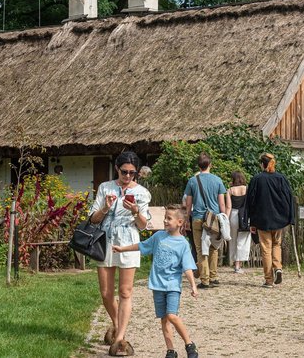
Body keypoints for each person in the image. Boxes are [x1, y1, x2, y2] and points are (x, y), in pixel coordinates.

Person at [113, 204, 200, 358]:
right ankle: (171, 350)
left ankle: (189, 344)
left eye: (169, 218)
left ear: (180, 222)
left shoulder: (183, 244)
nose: (165, 221)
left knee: (172, 316)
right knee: (164, 319)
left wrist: (193, 285)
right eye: (165, 217)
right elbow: (141, 245)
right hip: (157, 285)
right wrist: (122, 249)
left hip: (173, 286)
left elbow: (187, 267)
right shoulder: (159, 237)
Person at [89, 151, 151, 356]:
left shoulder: (142, 193)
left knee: (125, 292)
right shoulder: (105, 188)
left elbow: (143, 226)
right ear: (117, 169)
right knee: (106, 293)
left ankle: (119, 339)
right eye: (124, 172)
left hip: (129, 243)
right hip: (105, 242)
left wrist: (135, 211)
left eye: (132, 173)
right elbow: (93, 219)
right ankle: (117, 324)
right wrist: (106, 208)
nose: (128, 176)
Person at [242, 153, 295, 288]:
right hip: (279, 219)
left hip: (262, 220)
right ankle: (278, 268)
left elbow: (251, 202)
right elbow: (289, 198)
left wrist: (251, 221)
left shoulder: (257, 179)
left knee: (266, 249)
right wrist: (289, 217)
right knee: (276, 245)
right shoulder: (281, 178)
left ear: (262, 164)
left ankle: (269, 280)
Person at [183, 153, 226, 289]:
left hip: (197, 218)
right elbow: (222, 203)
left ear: (198, 165)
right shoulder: (218, 180)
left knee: (201, 249)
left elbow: (188, 203)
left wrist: (186, 219)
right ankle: (213, 277)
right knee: (213, 247)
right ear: (210, 165)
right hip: (213, 218)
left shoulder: (192, 181)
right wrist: (223, 218)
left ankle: (205, 279)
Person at [225, 171, 251, 273]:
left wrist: (225, 220)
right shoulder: (247, 189)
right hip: (244, 216)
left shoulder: (230, 190)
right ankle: (238, 265)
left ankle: (235, 263)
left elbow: (228, 207)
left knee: (233, 240)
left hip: (234, 216)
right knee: (243, 240)